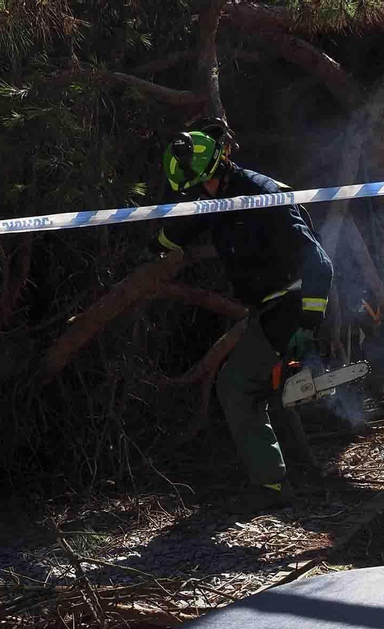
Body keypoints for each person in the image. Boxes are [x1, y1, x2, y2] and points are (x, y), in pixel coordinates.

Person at [153, 121, 333, 511]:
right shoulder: (219, 196)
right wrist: (155, 241)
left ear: (215, 169)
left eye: (201, 183)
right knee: (271, 387)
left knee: (236, 387)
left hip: (291, 304)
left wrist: (307, 327)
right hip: (267, 308)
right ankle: (304, 472)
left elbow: (320, 263)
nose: (200, 192)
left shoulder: (262, 196)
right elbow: (183, 228)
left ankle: (271, 486)